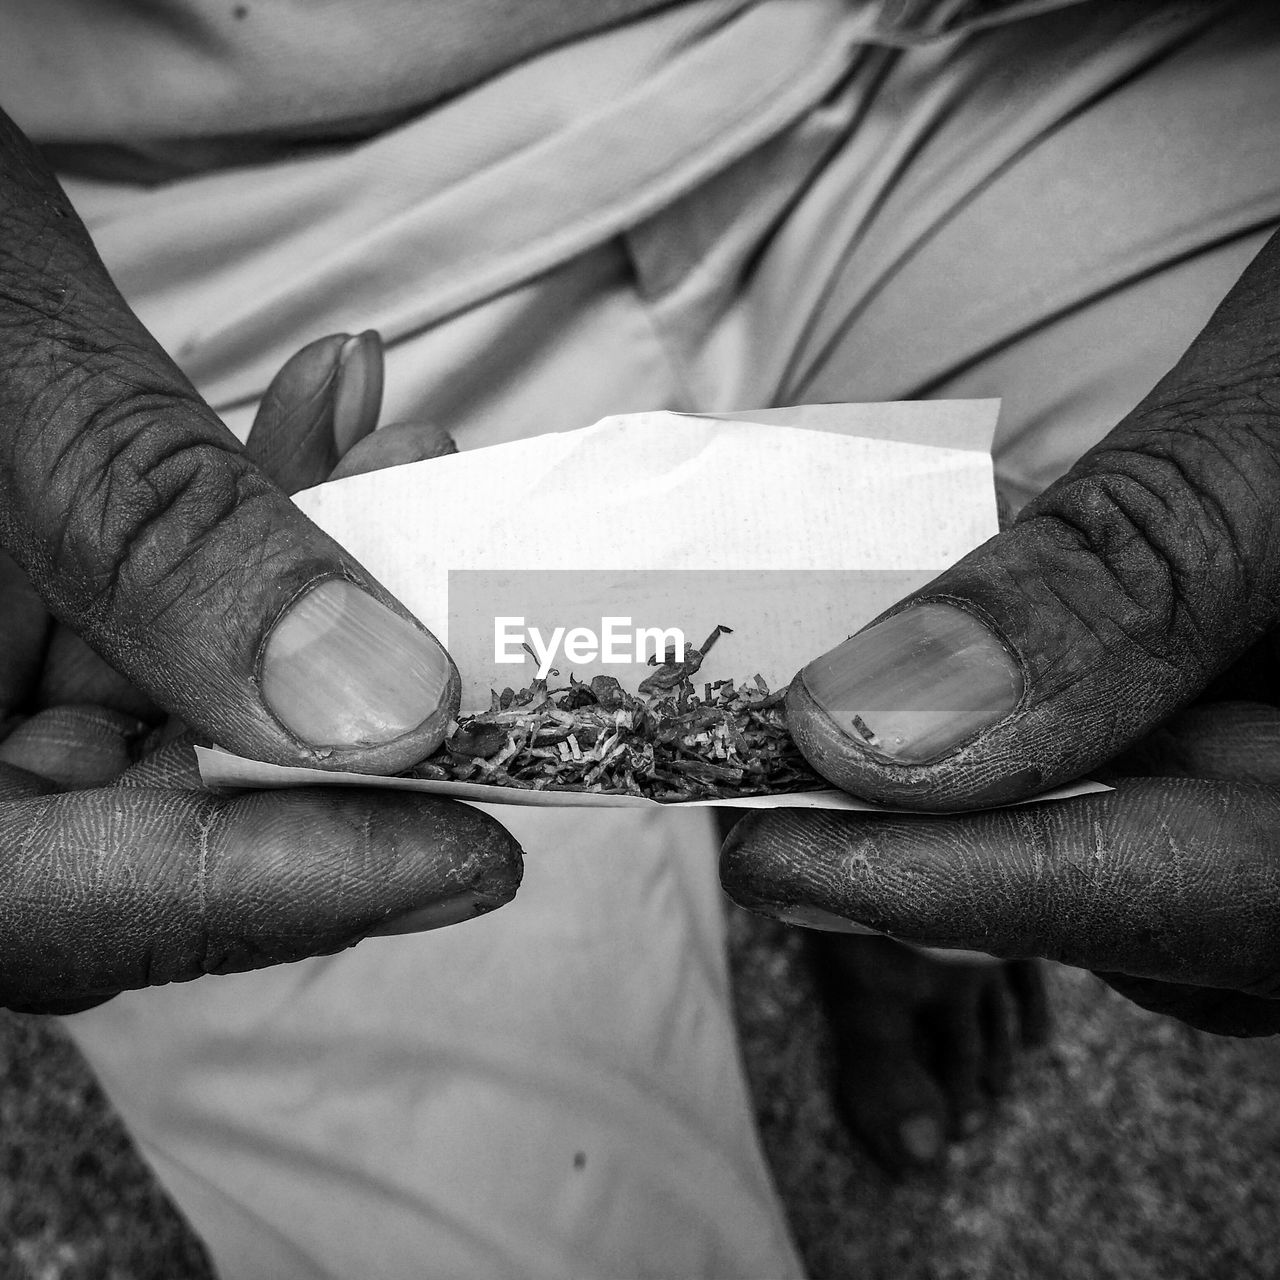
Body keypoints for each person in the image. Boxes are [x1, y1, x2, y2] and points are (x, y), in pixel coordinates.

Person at [0, 0, 1277, 1274]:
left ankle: (890, 871)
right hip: (214, 237)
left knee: (1128, 732)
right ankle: (859, 842)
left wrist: (1177, 531)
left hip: (933, 67)